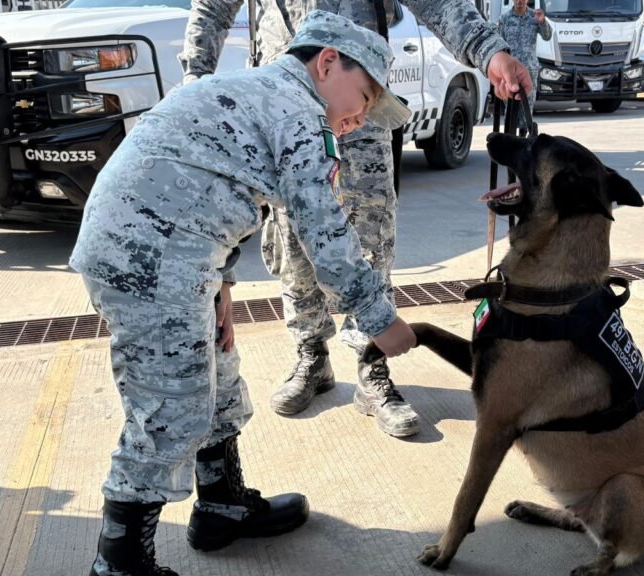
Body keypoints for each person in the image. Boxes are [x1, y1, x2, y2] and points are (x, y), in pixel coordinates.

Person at [71, 11, 418, 576]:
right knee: (169, 408)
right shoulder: (300, 113)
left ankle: (222, 504)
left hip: (177, 252)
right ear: (327, 62)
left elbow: (209, 177)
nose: (359, 119)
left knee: (220, 379)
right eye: (363, 96)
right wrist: (379, 317)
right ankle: (121, 564)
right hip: (152, 261)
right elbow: (324, 231)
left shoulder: (252, 88)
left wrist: (222, 281)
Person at [182, 0, 533, 439]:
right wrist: (195, 76)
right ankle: (311, 353)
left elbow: (440, 2)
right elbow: (212, 8)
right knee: (293, 238)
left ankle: (372, 365)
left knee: (371, 237)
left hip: (359, 105)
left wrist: (489, 52)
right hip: (285, 103)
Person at [498, 0, 551, 132]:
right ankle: (510, 138)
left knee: (527, 108)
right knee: (510, 107)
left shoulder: (535, 17)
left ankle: (525, 140)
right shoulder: (504, 18)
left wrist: (543, 22)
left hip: (529, 70)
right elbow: (499, 44)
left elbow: (547, 36)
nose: (520, 1)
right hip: (510, 71)